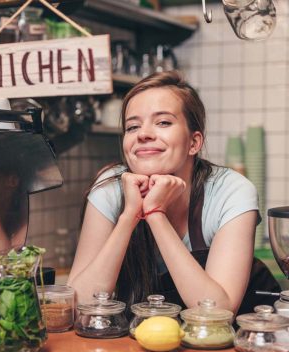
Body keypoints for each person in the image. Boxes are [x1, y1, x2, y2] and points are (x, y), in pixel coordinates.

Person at [67, 70, 279, 315]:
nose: (143, 134)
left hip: (227, 345)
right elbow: (79, 303)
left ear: (194, 143)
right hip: (143, 345)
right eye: (132, 126)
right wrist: (129, 217)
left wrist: (155, 214)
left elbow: (218, 312)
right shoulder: (109, 188)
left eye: (163, 122)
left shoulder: (231, 191)